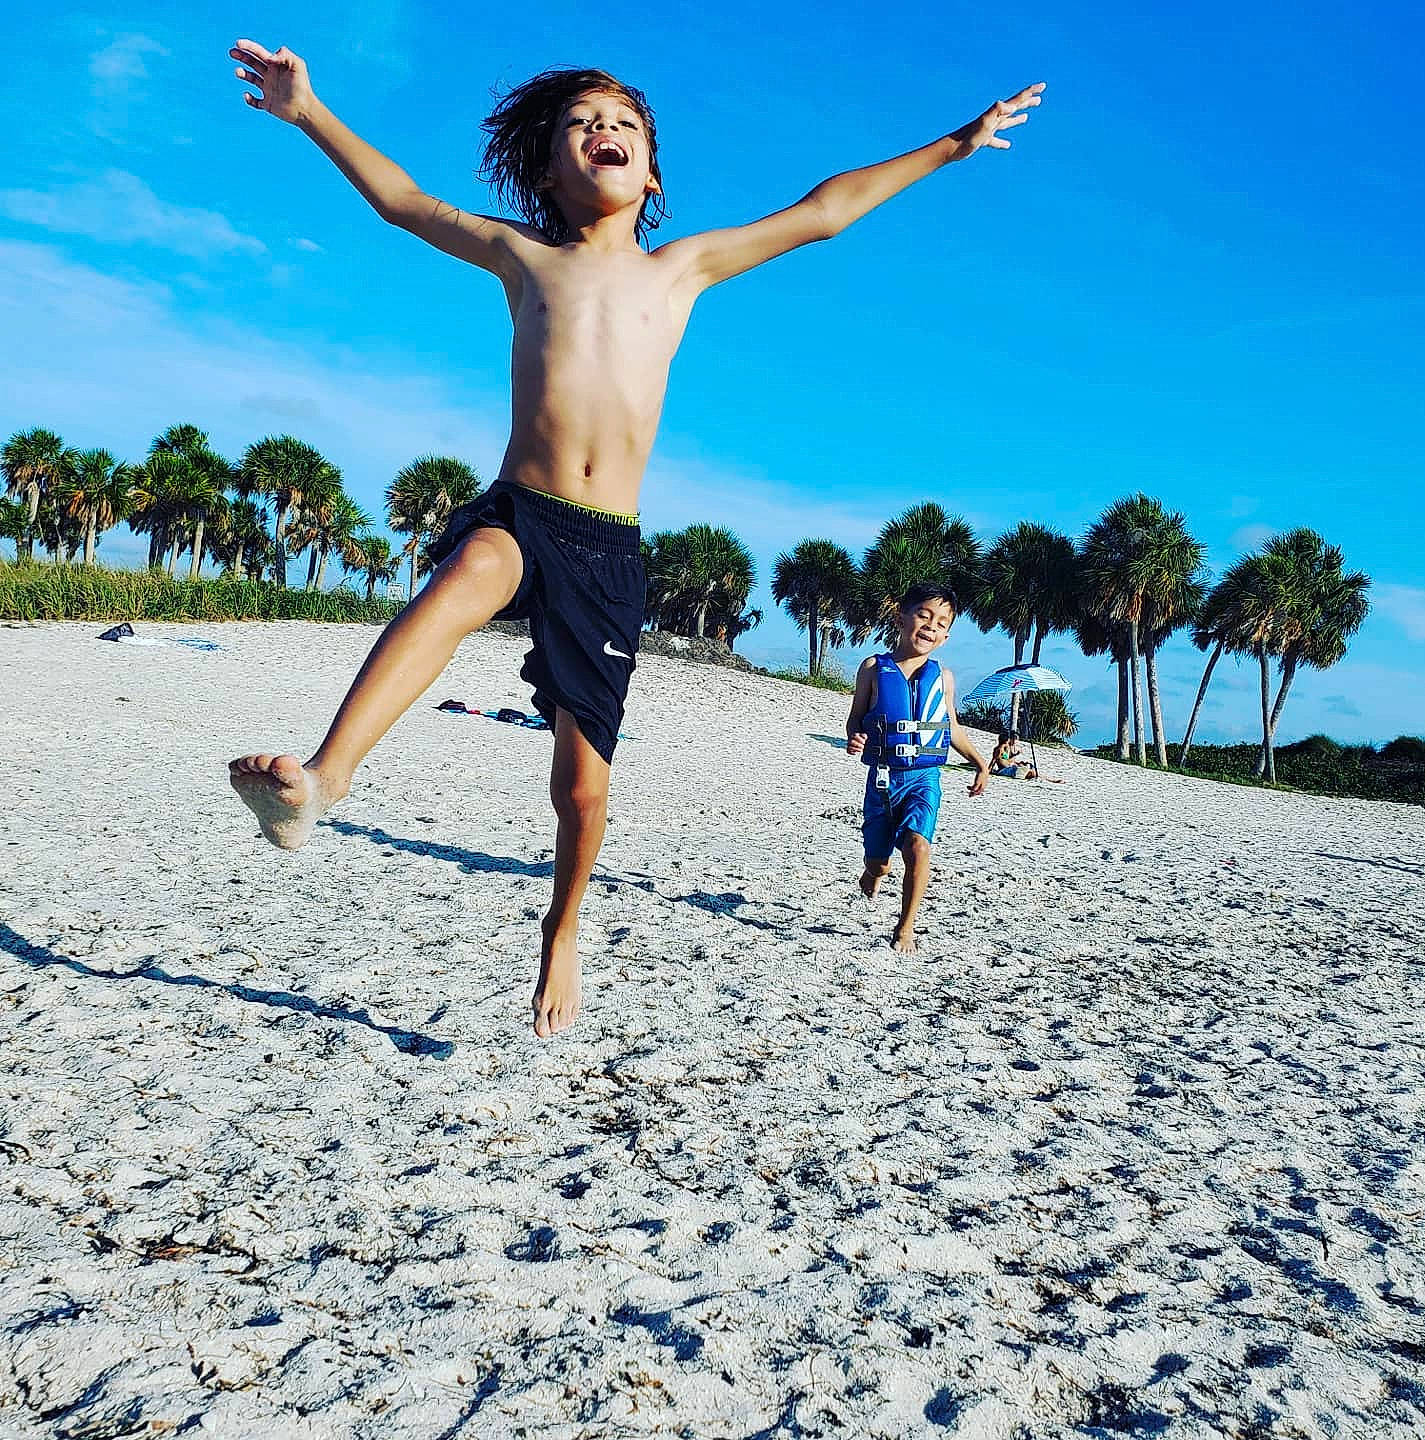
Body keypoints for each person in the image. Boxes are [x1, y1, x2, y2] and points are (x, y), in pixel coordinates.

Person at [223, 39, 1044, 1035]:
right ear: (548, 172)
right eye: (581, 124)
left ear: (651, 169)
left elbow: (822, 213)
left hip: (607, 552)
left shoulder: (681, 269)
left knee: (581, 787)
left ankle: (561, 931)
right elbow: (404, 202)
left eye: (623, 123)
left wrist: (954, 144)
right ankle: (326, 779)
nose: (603, 130)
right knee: (461, 578)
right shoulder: (521, 256)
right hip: (521, 513)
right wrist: (309, 112)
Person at [845, 586, 991, 953]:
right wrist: (856, 738)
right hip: (882, 778)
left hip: (925, 778)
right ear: (901, 618)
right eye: (924, 615)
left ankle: (905, 928)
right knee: (878, 862)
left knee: (918, 847)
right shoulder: (872, 669)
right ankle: (873, 872)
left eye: (941, 623)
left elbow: (951, 726)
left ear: (946, 637)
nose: (931, 626)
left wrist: (980, 762)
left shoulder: (943, 677)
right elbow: (856, 720)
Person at [990, 729, 1065, 782]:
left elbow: (1006, 761)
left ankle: (1051, 780)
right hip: (1005, 771)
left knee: (1031, 771)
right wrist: (988, 770)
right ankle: (1052, 780)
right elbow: (994, 760)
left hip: (1010, 769)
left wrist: (1016, 761)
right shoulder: (999, 750)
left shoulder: (1005, 749)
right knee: (1031, 772)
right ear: (1006, 740)